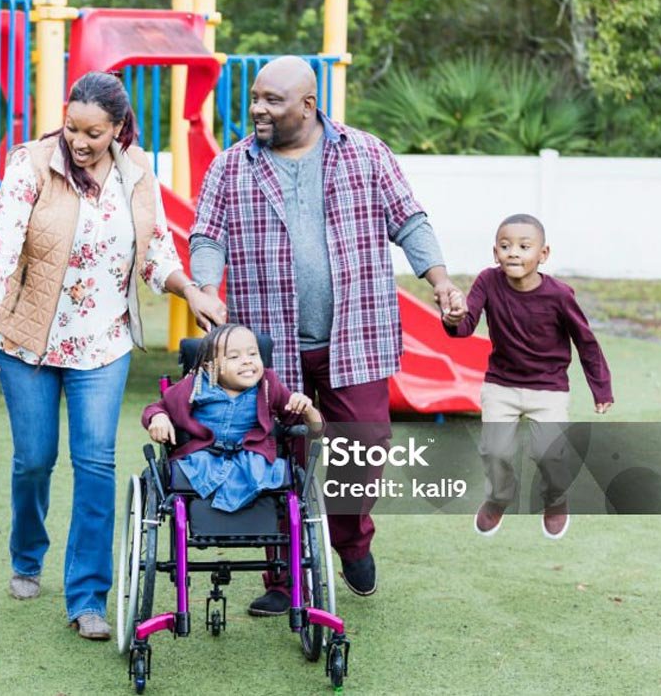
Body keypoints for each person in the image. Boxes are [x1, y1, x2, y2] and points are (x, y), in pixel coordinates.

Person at [190, 55, 465, 616]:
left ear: (308, 105)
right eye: (255, 98)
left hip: (355, 336)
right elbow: (206, 235)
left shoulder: (364, 152)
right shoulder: (232, 166)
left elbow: (409, 221)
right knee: (273, 459)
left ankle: (350, 541)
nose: (257, 109)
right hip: (266, 349)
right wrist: (202, 285)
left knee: (364, 450)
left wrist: (438, 280)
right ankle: (283, 576)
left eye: (272, 100)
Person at [0, 71, 225, 641]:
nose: (79, 142)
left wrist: (193, 291)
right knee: (34, 459)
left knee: (96, 464)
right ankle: (27, 554)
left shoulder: (137, 176)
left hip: (103, 342)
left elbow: (156, 255)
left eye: (94, 133)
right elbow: (1, 250)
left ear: (118, 129)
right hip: (26, 341)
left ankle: (88, 596)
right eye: (72, 127)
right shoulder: (30, 165)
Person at [442, 214, 613, 540]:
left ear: (543, 254)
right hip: (501, 385)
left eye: (524, 246)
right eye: (505, 246)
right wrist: (454, 316)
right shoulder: (487, 282)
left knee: (550, 452)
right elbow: (464, 327)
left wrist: (600, 387)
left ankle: (555, 499)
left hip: (548, 388)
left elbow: (586, 341)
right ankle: (499, 498)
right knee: (495, 451)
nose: (514, 253)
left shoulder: (560, 295)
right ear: (495, 253)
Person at [142, 325, 323, 512]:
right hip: (203, 459)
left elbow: (317, 430)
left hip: (252, 461)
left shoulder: (268, 385)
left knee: (272, 470)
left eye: (253, 354)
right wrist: (159, 418)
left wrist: (308, 409)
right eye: (234, 357)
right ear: (210, 366)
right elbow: (156, 407)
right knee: (187, 470)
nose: (247, 362)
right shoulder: (195, 386)